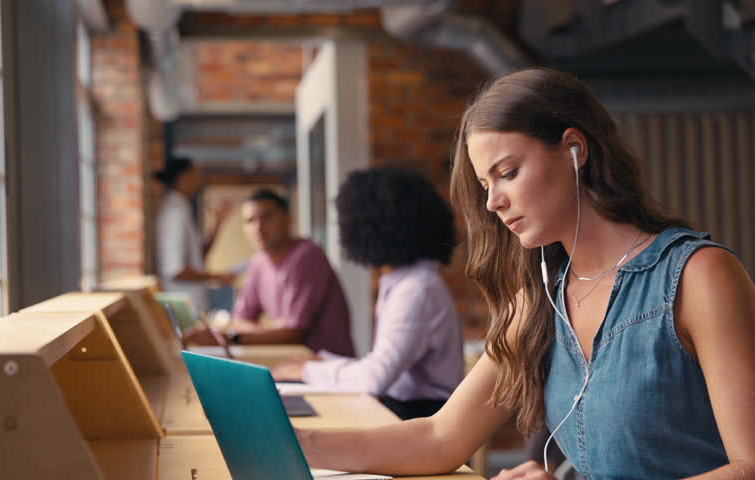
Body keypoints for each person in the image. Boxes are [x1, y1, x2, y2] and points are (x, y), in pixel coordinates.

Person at [293, 68, 755, 480]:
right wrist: (297, 444)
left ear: (574, 149)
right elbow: (438, 438)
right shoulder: (539, 299)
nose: (493, 201)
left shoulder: (700, 276)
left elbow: (749, 466)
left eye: (507, 173)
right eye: (484, 185)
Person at [272, 167, 465, 421]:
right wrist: (322, 363)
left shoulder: (416, 289)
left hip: (419, 418)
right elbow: (381, 367)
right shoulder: (403, 281)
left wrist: (307, 371)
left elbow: (374, 379)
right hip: (405, 410)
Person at [183, 188, 356, 357]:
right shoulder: (258, 262)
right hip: (292, 363)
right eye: (249, 220)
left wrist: (229, 337)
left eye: (267, 217)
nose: (258, 227)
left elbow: (293, 333)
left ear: (289, 220)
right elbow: (240, 320)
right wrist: (272, 329)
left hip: (328, 368)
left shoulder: (307, 256)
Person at [155, 157, 234, 312]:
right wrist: (216, 277)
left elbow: (199, 256)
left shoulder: (182, 209)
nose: (200, 179)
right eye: (197, 174)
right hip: (184, 308)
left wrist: (218, 224)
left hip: (194, 305)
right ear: (185, 177)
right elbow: (175, 270)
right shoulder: (174, 213)